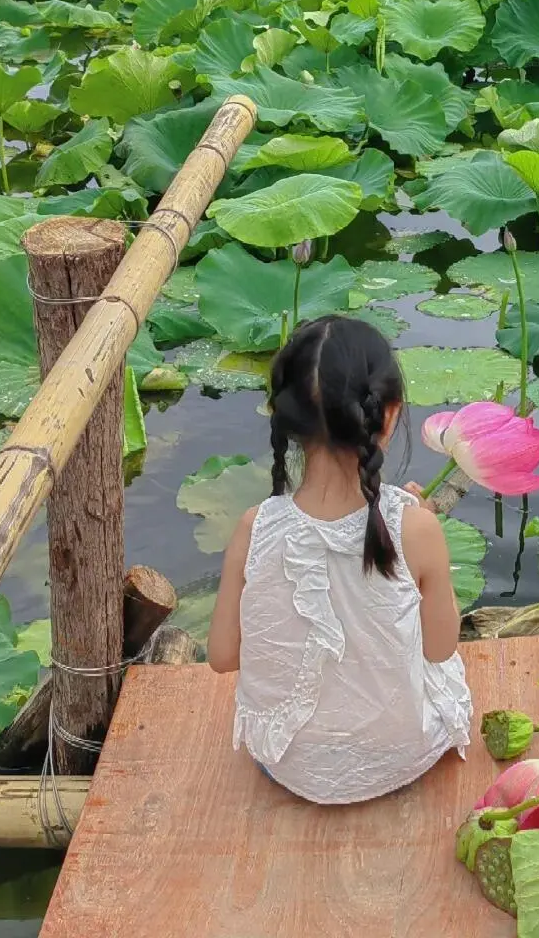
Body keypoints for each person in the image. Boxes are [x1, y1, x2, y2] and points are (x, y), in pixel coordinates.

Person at [207, 316, 472, 803]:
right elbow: (440, 648)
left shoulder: (254, 527)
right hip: (402, 756)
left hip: (290, 766)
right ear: (388, 416)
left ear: (285, 418)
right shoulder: (415, 528)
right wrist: (420, 530)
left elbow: (222, 657)